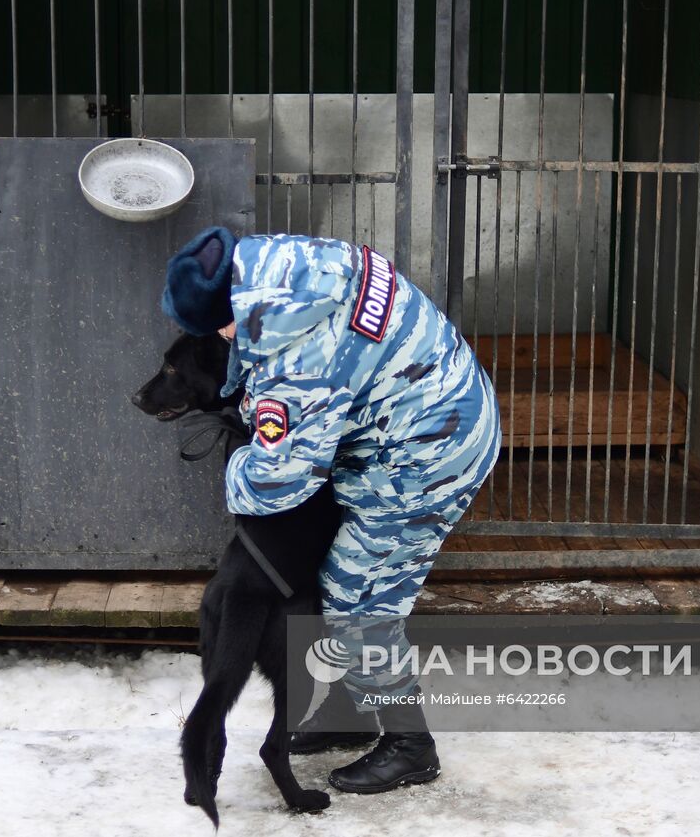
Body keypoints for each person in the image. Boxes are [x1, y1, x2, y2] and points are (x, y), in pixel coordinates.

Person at [160, 226, 501, 794]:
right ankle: (346, 713)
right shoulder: (295, 262)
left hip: (426, 453)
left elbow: (281, 482)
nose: (223, 339)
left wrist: (237, 464)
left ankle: (410, 745)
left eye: (218, 330)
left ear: (229, 314)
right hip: (435, 409)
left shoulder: (294, 358)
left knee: (358, 595)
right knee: (331, 575)